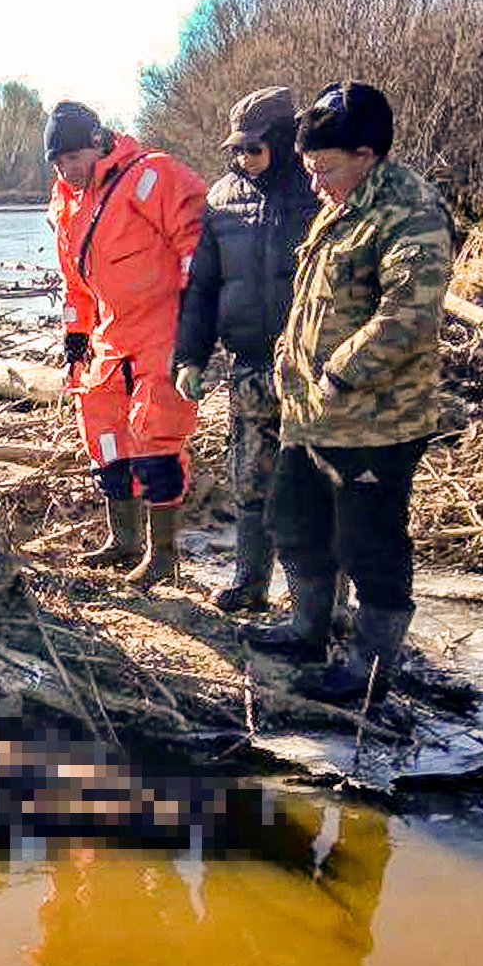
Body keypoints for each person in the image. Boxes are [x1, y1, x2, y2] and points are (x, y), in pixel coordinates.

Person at [243, 80, 455, 704]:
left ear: (368, 154)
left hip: (375, 420)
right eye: (308, 171)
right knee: (294, 519)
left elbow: (408, 314)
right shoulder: (341, 199)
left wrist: (338, 372)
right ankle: (310, 627)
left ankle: (371, 662)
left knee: (369, 543)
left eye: (325, 170)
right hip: (308, 414)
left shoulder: (411, 210)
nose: (314, 185)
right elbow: (313, 296)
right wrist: (289, 360)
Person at [45, 101, 208, 585]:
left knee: (157, 434)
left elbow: (197, 246)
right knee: (103, 432)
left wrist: (196, 327)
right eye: (58, 162)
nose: (68, 169)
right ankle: (124, 540)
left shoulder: (152, 175)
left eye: (74, 157)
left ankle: (163, 556)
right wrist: (75, 338)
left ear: (98, 142)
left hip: (162, 328)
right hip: (109, 336)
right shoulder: (66, 202)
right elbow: (75, 284)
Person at [172, 86, 320, 614]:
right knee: (249, 481)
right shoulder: (220, 200)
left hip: (312, 372)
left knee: (311, 490)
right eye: (236, 149)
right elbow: (203, 287)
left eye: (252, 148)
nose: (242, 158)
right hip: (249, 367)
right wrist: (189, 356)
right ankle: (250, 582)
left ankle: (318, 605)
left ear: (282, 141)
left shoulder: (319, 193)